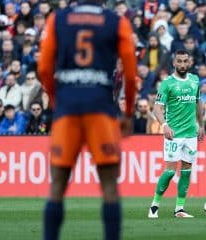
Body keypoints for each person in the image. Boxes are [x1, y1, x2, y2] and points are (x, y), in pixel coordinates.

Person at [37, 1, 137, 239]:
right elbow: (131, 74)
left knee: (57, 187)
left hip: (67, 109)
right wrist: (129, 113)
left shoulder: (58, 19)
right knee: (110, 187)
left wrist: (55, 99)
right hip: (100, 109)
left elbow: (43, 69)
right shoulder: (116, 22)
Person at [148, 49, 205, 218]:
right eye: (178, 61)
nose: (182, 64)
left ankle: (179, 209)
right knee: (171, 171)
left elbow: (197, 103)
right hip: (174, 134)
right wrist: (164, 125)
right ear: (174, 63)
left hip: (191, 134)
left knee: (187, 170)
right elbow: (157, 108)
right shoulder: (167, 83)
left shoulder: (195, 80)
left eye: (185, 61)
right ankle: (154, 205)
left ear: (189, 62)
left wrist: (201, 125)